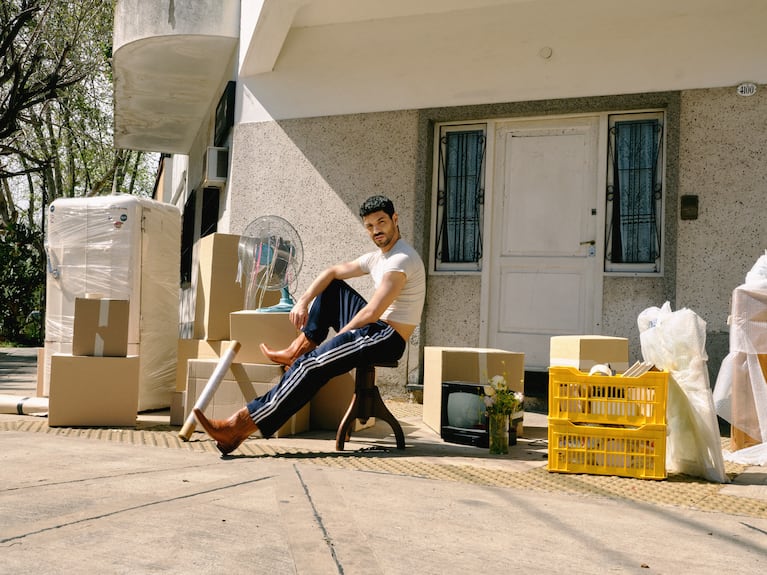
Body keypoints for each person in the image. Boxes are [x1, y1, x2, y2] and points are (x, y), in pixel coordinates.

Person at [194, 195, 426, 455]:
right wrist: (303, 301)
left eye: (381, 222)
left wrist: (337, 342)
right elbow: (332, 272)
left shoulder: (401, 259)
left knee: (311, 365)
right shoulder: (377, 258)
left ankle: (237, 427)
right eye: (370, 226)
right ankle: (298, 348)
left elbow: (372, 312)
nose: (376, 231)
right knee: (331, 289)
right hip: (374, 329)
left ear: (395, 219)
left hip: (387, 337)